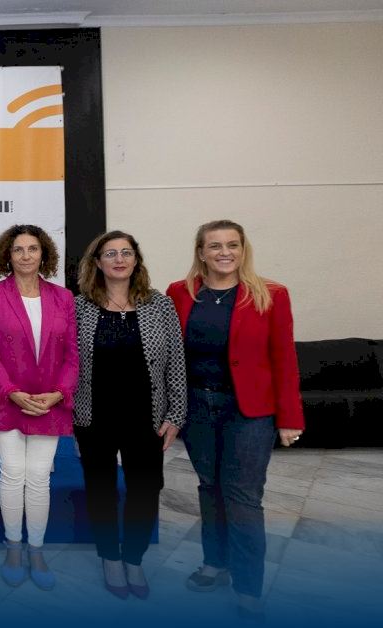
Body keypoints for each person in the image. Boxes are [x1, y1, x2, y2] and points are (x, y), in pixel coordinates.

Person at [166, 219, 304, 620]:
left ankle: (247, 587)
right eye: (215, 246)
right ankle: (215, 563)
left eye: (232, 245)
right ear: (201, 252)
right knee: (209, 488)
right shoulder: (179, 293)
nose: (224, 252)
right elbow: (169, 355)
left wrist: (290, 417)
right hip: (197, 408)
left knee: (242, 497)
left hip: (249, 412)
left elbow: (285, 358)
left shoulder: (271, 295)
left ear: (243, 250)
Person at [73, 230, 186, 600]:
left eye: (126, 252)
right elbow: (69, 364)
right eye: (110, 253)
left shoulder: (160, 305)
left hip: (146, 416)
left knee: (146, 489)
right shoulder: (79, 307)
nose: (119, 259)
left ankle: (134, 558)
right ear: (97, 262)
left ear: (136, 260)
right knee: (100, 489)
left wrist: (176, 413)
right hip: (94, 416)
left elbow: (176, 362)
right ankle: (110, 557)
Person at [0, 224, 77, 591]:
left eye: (33, 248)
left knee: (38, 477)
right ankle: (14, 548)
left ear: (43, 254)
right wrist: (12, 392)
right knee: (13, 472)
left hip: (50, 402)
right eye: (18, 249)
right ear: (8, 255)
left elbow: (72, 355)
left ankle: (36, 550)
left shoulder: (63, 297)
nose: (25, 255)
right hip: (8, 401)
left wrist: (59, 393)